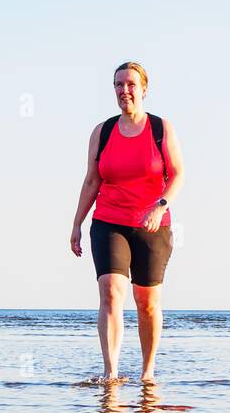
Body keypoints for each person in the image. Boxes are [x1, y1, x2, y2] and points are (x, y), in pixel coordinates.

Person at [70, 61, 185, 382]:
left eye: (131, 84)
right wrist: (77, 224)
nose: (125, 91)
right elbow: (92, 181)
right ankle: (112, 373)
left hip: (152, 225)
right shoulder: (103, 131)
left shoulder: (161, 128)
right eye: (119, 85)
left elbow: (177, 175)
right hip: (109, 220)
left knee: (146, 301)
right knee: (109, 290)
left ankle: (147, 373)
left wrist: (160, 206)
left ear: (144, 89)